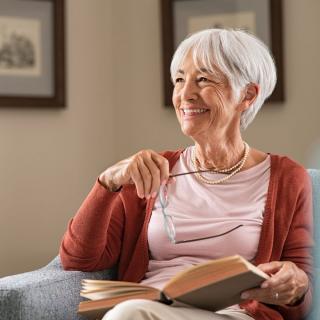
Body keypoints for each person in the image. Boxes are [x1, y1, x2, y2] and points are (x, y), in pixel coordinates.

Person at [59, 28, 313, 320]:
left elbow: (303, 283)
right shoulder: (151, 171)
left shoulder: (286, 178)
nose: (185, 94)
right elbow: (79, 259)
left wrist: (298, 284)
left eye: (203, 80)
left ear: (248, 94)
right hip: (152, 307)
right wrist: (107, 183)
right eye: (180, 80)